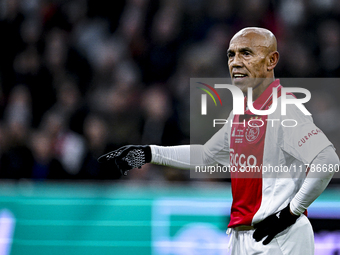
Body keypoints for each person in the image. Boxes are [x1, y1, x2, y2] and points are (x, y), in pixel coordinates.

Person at [98, 27, 339, 255]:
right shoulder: (242, 113)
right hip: (244, 236)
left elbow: (327, 161)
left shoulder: (284, 108)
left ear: (271, 60)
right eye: (231, 54)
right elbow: (206, 155)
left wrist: (290, 212)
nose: (235, 62)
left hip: (279, 238)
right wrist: (149, 153)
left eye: (246, 53)